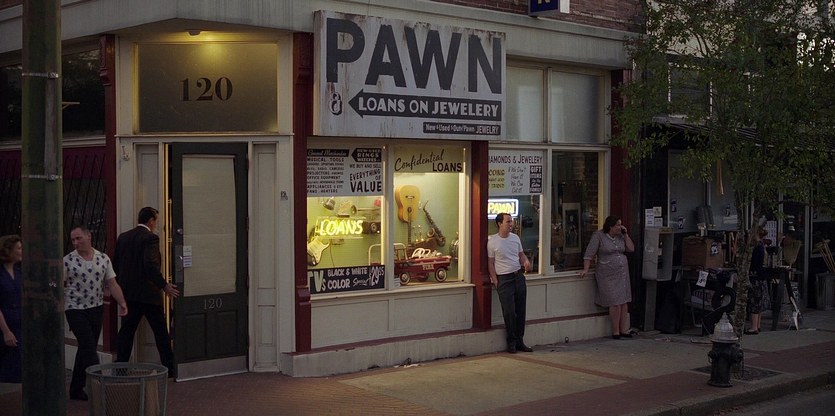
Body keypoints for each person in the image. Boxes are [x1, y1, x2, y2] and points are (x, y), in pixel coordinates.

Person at [63, 226, 129, 400]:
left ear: (88, 236)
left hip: (95, 307)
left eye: (79, 238)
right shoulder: (67, 261)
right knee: (88, 346)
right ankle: (100, 386)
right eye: (73, 240)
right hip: (74, 308)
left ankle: (76, 388)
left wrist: (122, 302)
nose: (76, 243)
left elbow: (112, 283)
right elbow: (58, 285)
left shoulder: (103, 258)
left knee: (87, 346)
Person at [114, 207, 179, 374]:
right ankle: (170, 367)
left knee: (126, 332)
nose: (157, 224)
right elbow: (150, 265)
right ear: (151, 221)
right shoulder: (151, 238)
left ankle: (120, 368)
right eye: (156, 221)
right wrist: (164, 285)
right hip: (149, 294)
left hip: (128, 294)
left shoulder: (123, 237)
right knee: (160, 332)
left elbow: (116, 265)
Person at [579, 216, 635, 339]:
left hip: (622, 273)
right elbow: (589, 254)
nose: (620, 227)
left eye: (620, 224)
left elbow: (631, 248)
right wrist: (586, 269)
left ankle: (624, 329)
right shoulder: (599, 236)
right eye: (618, 225)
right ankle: (615, 331)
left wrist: (626, 235)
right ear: (610, 226)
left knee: (624, 301)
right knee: (615, 302)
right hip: (607, 273)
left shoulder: (621, 236)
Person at [487, 213, 533, 354]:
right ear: (499, 224)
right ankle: (511, 341)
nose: (511, 224)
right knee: (509, 312)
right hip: (504, 279)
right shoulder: (493, 241)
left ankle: (520, 341)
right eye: (508, 221)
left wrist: (525, 261)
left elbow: (521, 255)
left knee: (520, 310)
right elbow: (490, 263)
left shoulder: (515, 238)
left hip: (517, 276)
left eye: (511, 221)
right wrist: (496, 281)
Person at [0, 235, 22, 384]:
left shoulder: (19, 272)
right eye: (19, 248)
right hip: (4, 323)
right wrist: (6, 331)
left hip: (18, 324)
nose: (22, 251)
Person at [745, 229, 770, 335]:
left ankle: (754, 327)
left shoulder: (755, 248)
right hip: (761, 277)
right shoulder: (762, 246)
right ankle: (758, 325)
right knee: (759, 303)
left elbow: (753, 263)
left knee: (754, 302)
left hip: (755, 277)